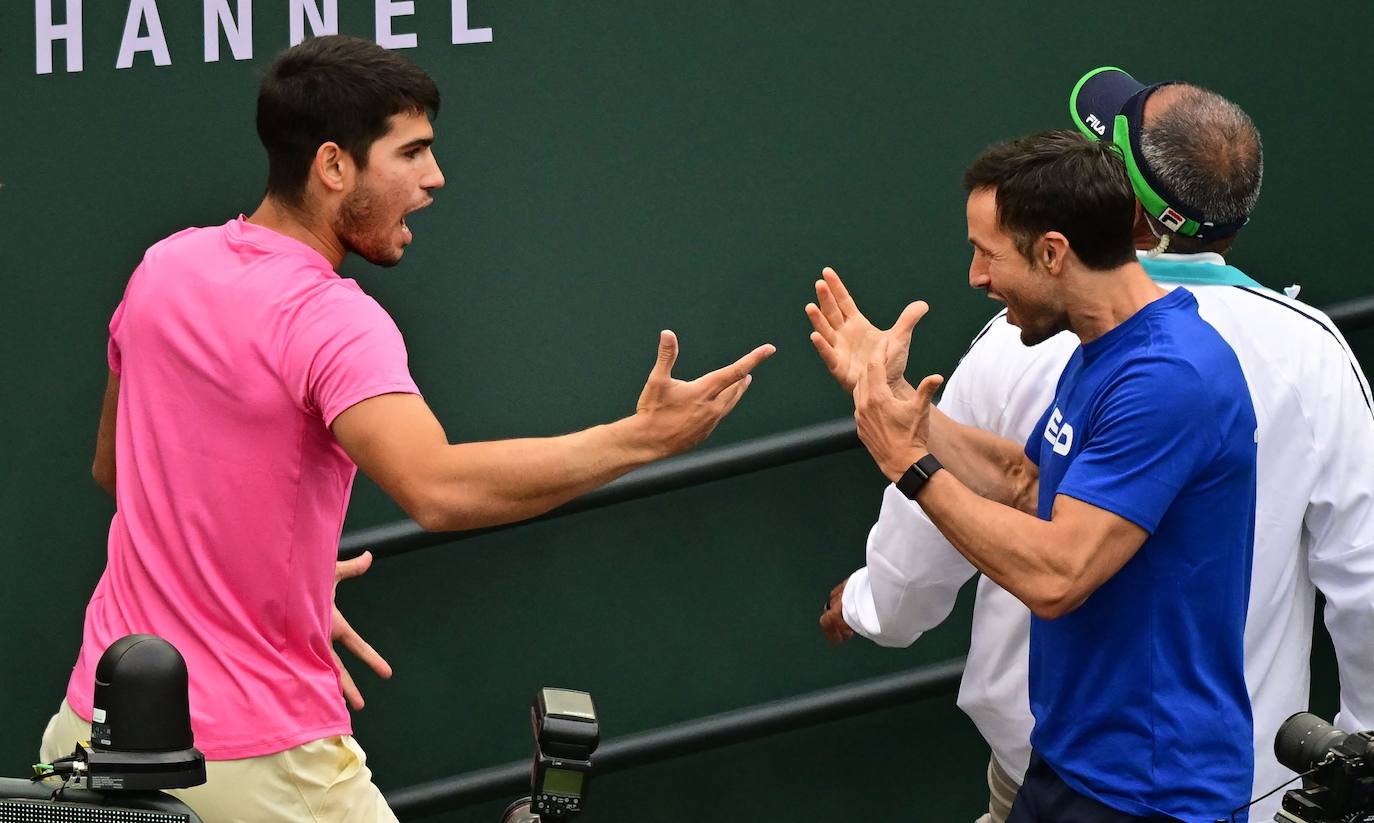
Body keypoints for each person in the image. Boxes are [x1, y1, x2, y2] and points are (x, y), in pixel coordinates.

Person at [39, 35, 774, 822]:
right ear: (333, 167)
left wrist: (264, 583)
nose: (435, 178)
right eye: (412, 153)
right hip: (258, 770)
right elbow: (437, 489)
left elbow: (119, 472)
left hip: (88, 740)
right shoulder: (337, 322)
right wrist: (644, 438)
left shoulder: (163, 267)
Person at [814, 70, 1374, 823]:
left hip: (1149, 793)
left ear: (1054, 252)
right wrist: (897, 407)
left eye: (988, 254)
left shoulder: (1168, 375)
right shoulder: (1097, 341)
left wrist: (907, 465)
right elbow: (1023, 479)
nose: (977, 277)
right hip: (1072, 765)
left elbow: (1058, 575)